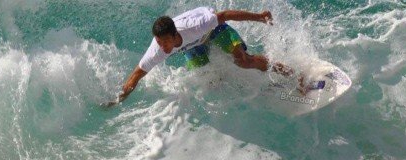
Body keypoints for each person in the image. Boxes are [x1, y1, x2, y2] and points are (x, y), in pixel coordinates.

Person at [105, 7, 301, 107]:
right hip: (193, 47)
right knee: (211, 81)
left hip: (213, 31)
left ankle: (291, 73)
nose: (162, 47)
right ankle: (260, 86)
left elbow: (225, 15)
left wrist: (259, 17)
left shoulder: (196, 25)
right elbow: (137, 74)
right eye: (158, 42)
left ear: (175, 36)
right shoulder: (156, 50)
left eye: (165, 42)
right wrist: (119, 99)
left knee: (243, 61)